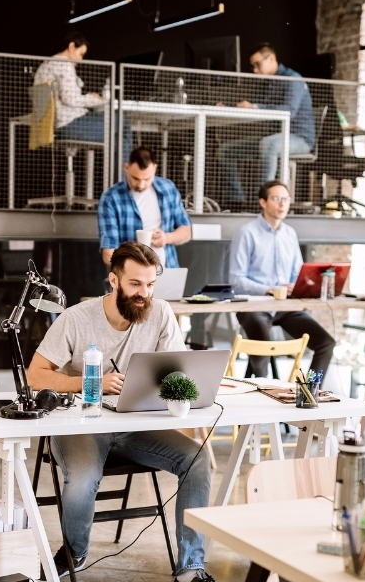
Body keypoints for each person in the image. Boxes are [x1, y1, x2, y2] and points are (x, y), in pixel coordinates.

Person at [26, 242, 239, 582]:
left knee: (197, 459)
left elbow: (176, 370)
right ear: (114, 280)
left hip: (134, 423)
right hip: (82, 424)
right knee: (82, 479)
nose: (144, 294)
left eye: (151, 285)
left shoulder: (159, 314)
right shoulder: (76, 318)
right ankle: (74, 555)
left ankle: (189, 573)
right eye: (135, 284)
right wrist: (91, 382)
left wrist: (185, 390)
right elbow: (35, 376)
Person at [229, 180, 335, 382]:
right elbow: (236, 280)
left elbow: (299, 273)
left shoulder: (290, 233)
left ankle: (308, 391)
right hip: (254, 306)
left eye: (285, 199)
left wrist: (300, 285)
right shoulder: (247, 233)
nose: (282, 204)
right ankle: (264, 401)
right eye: (276, 199)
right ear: (263, 202)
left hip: (286, 306)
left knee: (326, 343)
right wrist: (269, 289)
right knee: (263, 350)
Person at [216, 43, 315, 205]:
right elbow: (256, 106)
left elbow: (289, 110)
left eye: (257, 64)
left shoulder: (292, 78)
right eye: (252, 66)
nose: (255, 70)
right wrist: (230, 107)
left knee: (268, 144)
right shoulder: (268, 82)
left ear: (271, 59)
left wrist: (254, 106)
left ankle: (261, 203)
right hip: (273, 138)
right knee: (225, 151)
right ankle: (236, 201)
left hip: (300, 139)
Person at [33, 31, 133, 158]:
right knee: (121, 118)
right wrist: (95, 99)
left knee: (118, 141)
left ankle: (122, 176)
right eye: (80, 54)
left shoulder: (44, 65)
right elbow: (69, 99)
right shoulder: (64, 64)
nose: (81, 59)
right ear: (71, 47)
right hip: (71, 125)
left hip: (53, 127)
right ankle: (128, 176)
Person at [98, 146, 193, 268]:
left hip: (168, 270)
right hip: (132, 278)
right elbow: (108, 253)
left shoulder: (168, 189)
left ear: (154, 169)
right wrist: (133, 270)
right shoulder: (111, 198)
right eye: (135, 178)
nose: (141, 184)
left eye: (147, 179)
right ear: (126, 168)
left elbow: (187, 231)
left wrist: (166, 238)